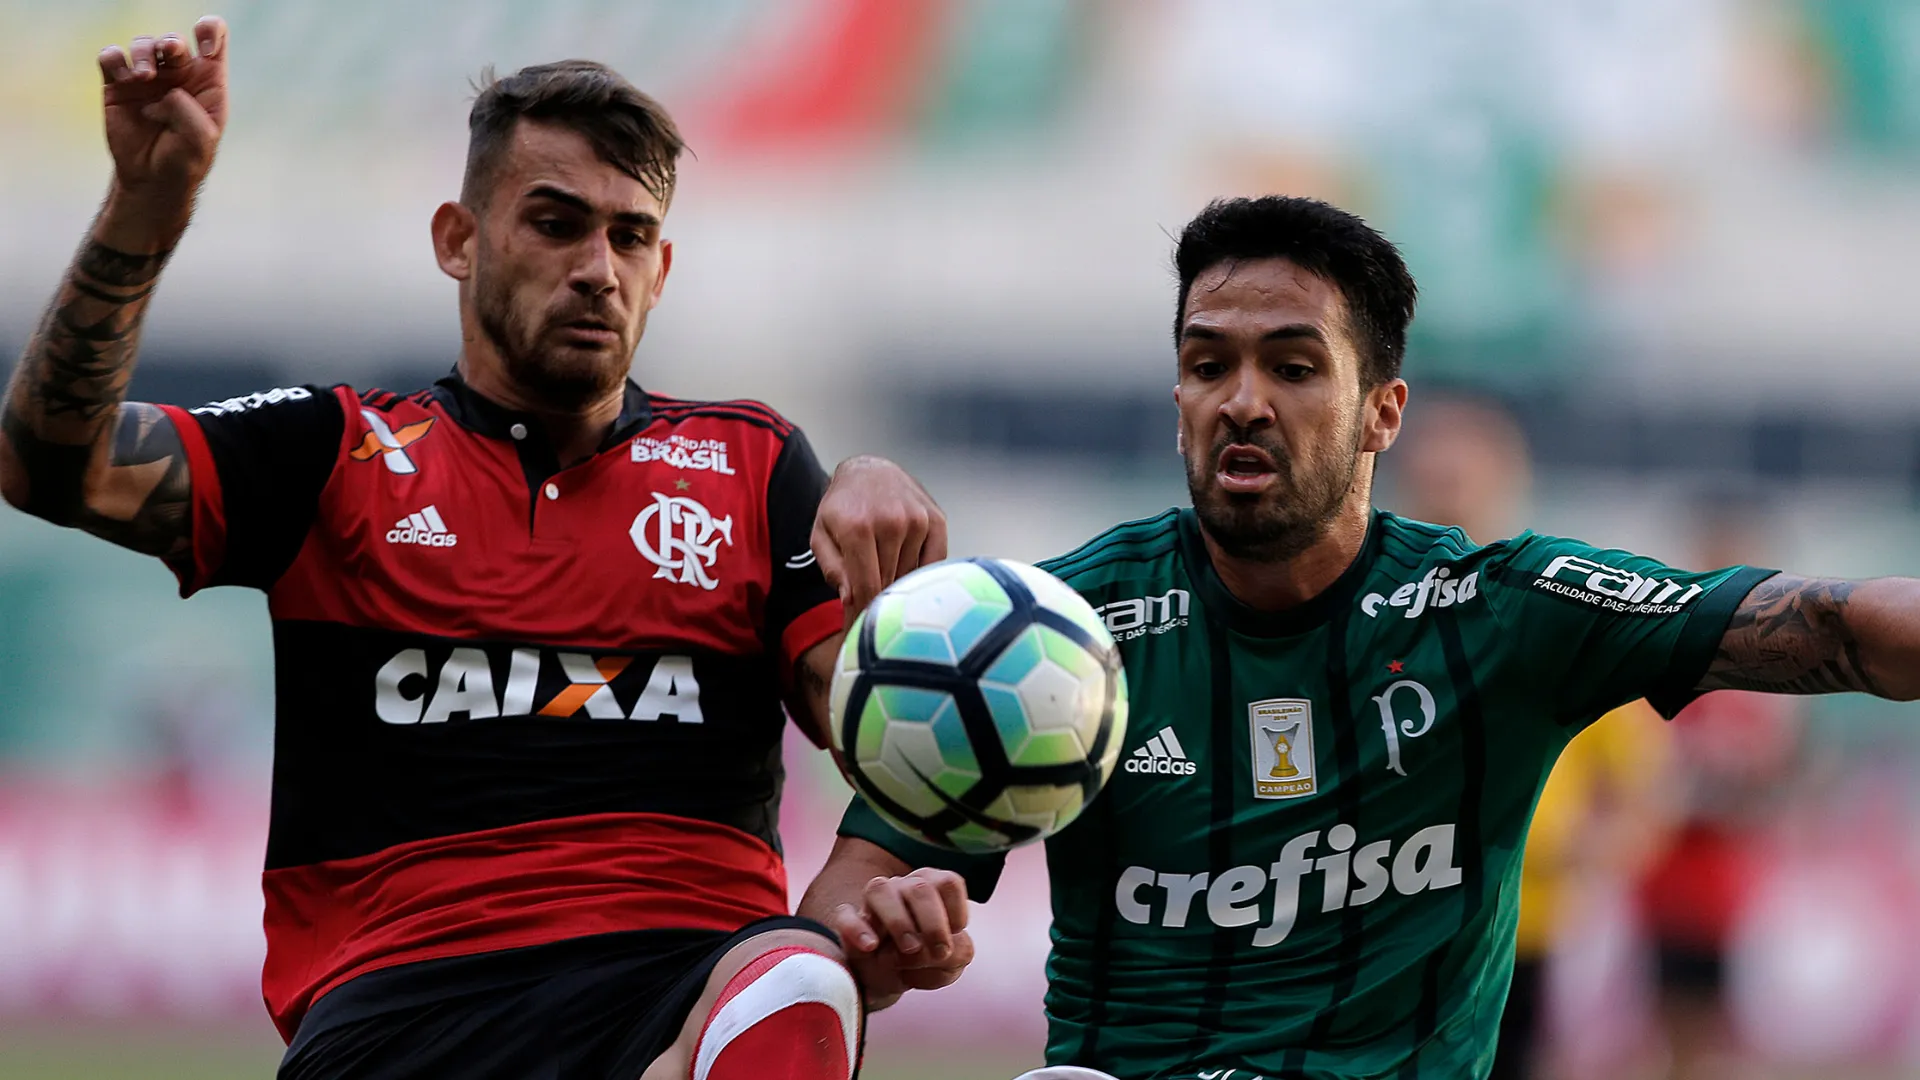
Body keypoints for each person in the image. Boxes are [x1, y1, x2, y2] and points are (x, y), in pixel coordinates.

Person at [0, 20, 946, 1080]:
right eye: (556, 223)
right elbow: (47, 463)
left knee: (794, 979)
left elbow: (911, 741)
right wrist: (148, 205)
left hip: (682, 986)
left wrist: (893, 884)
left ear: (662, 266)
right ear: (458, 238)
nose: (597, 269)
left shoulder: (755, 467)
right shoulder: (337, 450)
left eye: (630, 238)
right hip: (403, 1009)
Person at [798, 195, 1920, 1080]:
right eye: (1207, 365)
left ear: (1384, 409)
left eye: (1292, 366)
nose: (1242, 400)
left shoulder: (1505, 610)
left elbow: (1837, 627)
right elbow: (841, 914)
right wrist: (884, 941)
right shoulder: (1048, 630)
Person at [1392, 396, 1678, 1080]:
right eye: (1432, 483)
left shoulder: (1550, 617)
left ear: (1506, 482)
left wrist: (1591, 850)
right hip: (1387, 926)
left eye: (1461, 482)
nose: (1445, 502)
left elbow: (1645, 787)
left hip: (1518, 927)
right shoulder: (1369, 616)